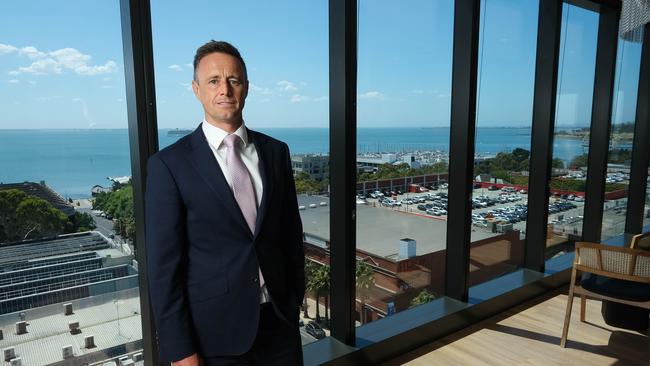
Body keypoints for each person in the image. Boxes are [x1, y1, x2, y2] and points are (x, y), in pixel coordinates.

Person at [145, 40, 305, 365]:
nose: (225, 90)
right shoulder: (169, 166)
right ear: (196, 89)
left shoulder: (276, 152)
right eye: (213, 81)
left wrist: (292, 298)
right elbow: (164, 270)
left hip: (279, 325)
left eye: (233, 80)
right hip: (212, 337)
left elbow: (290, 234)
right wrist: (180, 351)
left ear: (246, 87)